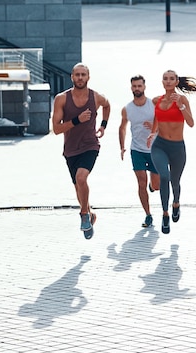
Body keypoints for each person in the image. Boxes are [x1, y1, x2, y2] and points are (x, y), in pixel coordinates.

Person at [146, 70, 196, 234]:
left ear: (176, 82)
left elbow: (191, 123)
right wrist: (153, 132)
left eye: (171, 79)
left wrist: (180, 106)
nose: (168, 81)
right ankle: (165, 214)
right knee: (164, 177)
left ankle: (176, 203)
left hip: (177, 147)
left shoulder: (182, 99)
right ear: (162, 82)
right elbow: (157, 118)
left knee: (175, 181)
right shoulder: (156, 100)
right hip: (159, 145)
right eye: (165, 79)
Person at [52, 63, 110, 240]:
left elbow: (107, 106)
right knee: (78, 187)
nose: (80, 78)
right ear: (72, 77)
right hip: (70, 149)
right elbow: (56, 129)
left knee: (81, 178)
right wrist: (76, 120)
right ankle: (90, 214)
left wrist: (103, 126)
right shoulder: (61, 99)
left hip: (90, 145)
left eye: (83, 74)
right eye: (77, 75)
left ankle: (83, 214)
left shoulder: (96, 97)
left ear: (88, 77)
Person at [118, 75, 161, 228]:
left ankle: (153, 186)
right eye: (134, 86)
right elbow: (122, 128)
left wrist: (155, 126)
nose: (137, 88)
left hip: (155, 149)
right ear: (131, 88)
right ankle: (148, 215)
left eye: (139, 86)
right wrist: (122, 146)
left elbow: (165, 122)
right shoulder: (127, 109)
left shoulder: (153, 105)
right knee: (141, 182)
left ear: (144, 87)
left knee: (156, 185)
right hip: (137, 149)